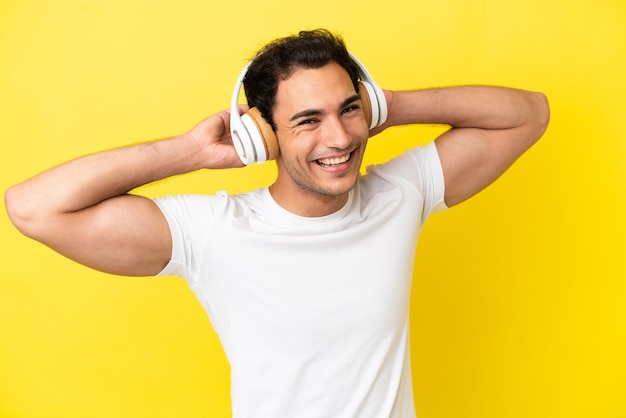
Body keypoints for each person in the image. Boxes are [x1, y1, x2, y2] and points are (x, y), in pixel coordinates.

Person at [4, 29, 549, 417]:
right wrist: (191, 151)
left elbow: (529, 113)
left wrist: (386, 105)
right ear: (260, 134)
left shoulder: (400, 192)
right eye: (307, 121)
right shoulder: (214, 232)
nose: (337, 138)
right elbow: (33, 207)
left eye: (348, 110)